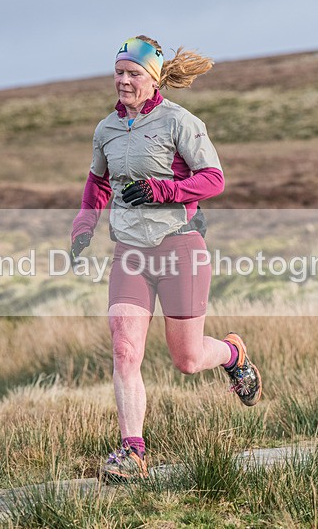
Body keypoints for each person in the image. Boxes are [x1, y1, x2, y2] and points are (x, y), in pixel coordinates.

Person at [70, 35, 262, 482]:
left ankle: (233, 355)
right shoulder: (106, 130)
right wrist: (84, 223)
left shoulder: (179, 122)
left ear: (153, 79)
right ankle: (133, 452)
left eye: (133, 74)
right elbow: (98, 182)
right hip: (130, 252)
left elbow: (213, 179)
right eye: (118, 72)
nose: (123, 80)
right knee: (124, 349)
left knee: (187, 359)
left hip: (179, 247)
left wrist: (164, 190)